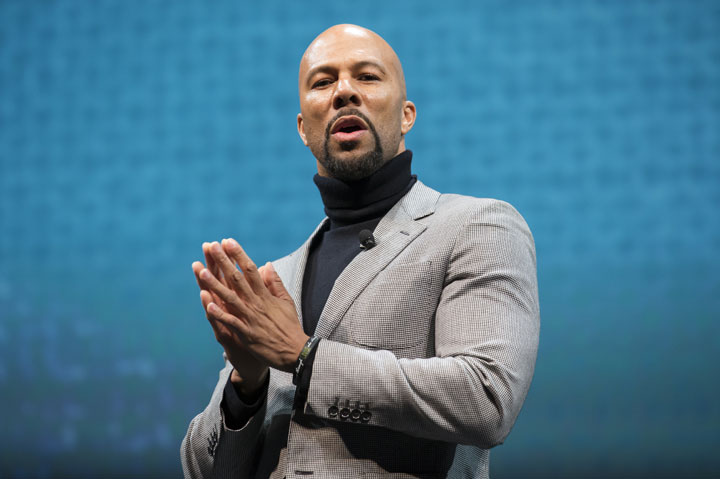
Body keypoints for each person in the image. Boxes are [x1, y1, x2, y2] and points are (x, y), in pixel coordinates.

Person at [181, 24, 540, 479]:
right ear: (303, 128)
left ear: (407, 115)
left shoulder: (477, 226)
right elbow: (202, 469)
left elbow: (487, 399)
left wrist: (304, 358)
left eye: (367, 77)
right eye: (323, 81)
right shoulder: (276, 281)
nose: (344, 92)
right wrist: (245, 385)